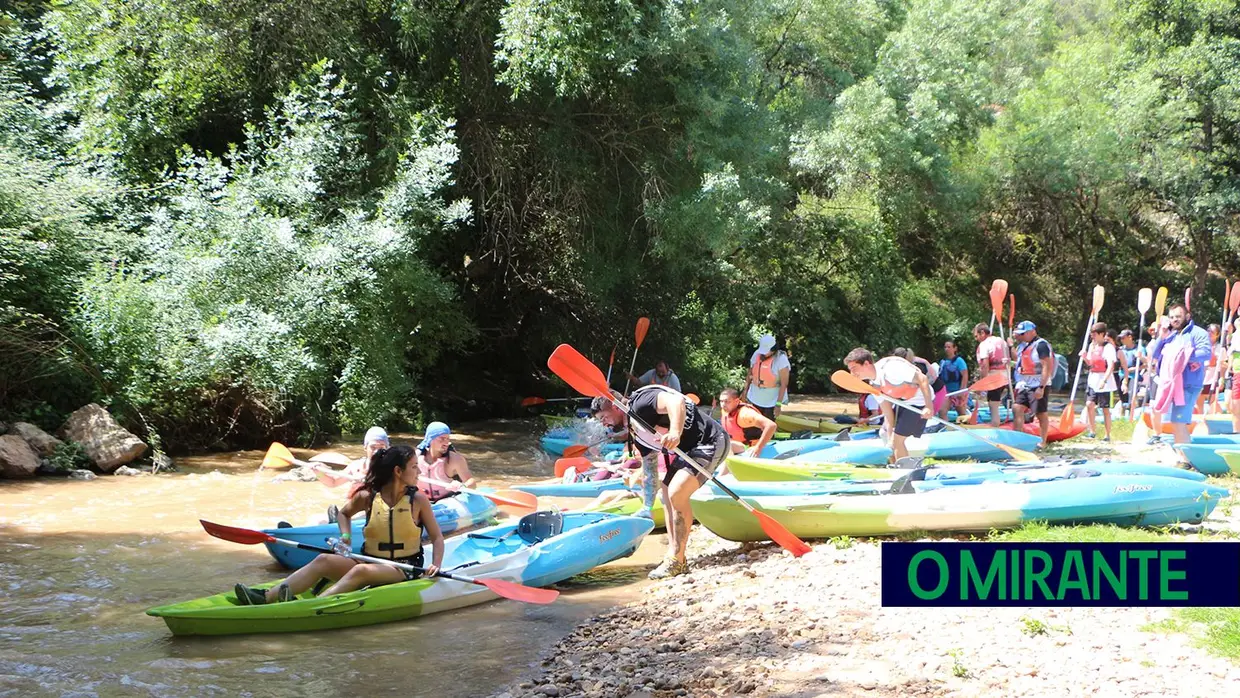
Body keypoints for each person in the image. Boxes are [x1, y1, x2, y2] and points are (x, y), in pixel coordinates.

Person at [234, 445, 444, 604]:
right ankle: (266, 597)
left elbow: (436, 537)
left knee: (360, 572)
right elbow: (344, 514)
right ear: (398, 471)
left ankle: (313, 605)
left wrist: (435, 564)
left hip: (403, 568)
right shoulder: (367, 496)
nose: (419, 472)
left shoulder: (418, 500)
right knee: (324, 559)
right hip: (369, 561)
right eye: (415, 467)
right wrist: (345, 538)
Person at [590, 384, 730, 579]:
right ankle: (674, 554)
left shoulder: (640, 404)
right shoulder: (636, 431)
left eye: (604, 417)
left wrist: (674, 432)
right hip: (689, 451)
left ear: (615, 407)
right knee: (665, 492)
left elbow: (676, 401)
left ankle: (677, 560)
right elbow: (649, 468)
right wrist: (647, 505)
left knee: (677, 492)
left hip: (711, 441)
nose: (604, 423)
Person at [844, 348, 934, 461]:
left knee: (898, 441)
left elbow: (923, 379)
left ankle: (905, 471)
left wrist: (928, 406)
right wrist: (890, 433)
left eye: (854, 368)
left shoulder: (891, 369)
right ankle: (895, 465)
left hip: (919, 401)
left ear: (866, 364)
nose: (852, 374)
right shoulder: (874, 386)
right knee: (885, 434)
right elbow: (887, 412)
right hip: (903, 402)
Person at [1150, 302, 1213, 444]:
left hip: (1189, 384)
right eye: (1172, 317)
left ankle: (1187, 460)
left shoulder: (1198, 332)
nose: (1175, 320)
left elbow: (1206, 353)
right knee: (1175, 422)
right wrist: (1162, 337)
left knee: (1179, 422)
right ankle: (1182, 457)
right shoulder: (1172, 335)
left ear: (1187, 316)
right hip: (1171, 384)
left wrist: (1182, 355)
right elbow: (1156, 354)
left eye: (1178, 316)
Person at [1010, 321, 1055, 447]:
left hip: (1039, 383)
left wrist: (1041, 387)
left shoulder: (1041, 345)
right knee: (1017, 408)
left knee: (1041, 413)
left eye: (1023, 333)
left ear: (1032, 332)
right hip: (1025, 383)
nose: (1021, 336)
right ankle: (1017, 439)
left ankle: (1043, 441)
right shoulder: (1025, 345)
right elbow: (1023, 364)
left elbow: (1047, 366)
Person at [417, 422, 477, 501]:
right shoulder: (416, 456)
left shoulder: (455, 459)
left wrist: (462, 486)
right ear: (430, 439)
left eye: (447, 439)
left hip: (447, 499)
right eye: (442, 438)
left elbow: (472, 483)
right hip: (423, 500)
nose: (446, 443)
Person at [1081, 322, 1118, 441]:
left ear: (1102, 334)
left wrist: (1104, 380)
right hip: (1093, 379)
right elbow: (1090, 363)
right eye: (1092, 334)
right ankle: (1092, 431)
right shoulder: (1092, 346)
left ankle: (1107, 435)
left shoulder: (1108, 347)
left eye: (1095, 334)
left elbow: (1111, 366)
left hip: (1104, 381)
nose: (1093, 336)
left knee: (1105, 409)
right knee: (1089, 404)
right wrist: (1085, 357)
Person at [718, 387, 778, 457]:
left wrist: (758, 447)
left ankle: (730, 465)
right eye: (721, 401)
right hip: (737, 445)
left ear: (737, 401)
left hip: (749, 447)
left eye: (727, 401)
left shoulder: (745, 414)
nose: (723, 405)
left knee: (726, 445)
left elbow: (771, 425)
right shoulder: (726, 410)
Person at [742, 334, 790, 419]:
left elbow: (784, 384)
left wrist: (778, 405)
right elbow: (750, 374)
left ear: (773, 350)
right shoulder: (757, 354)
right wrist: (745, 391)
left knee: (768, 425)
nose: (763, 354)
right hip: (754, 396)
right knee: (753, 427)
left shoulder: (781, 359)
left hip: (771, 400)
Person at [972, 324, 1009, 427]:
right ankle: (995, 423)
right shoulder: (1002, 341)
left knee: (993, 404)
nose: (977, 339)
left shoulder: (984, 344)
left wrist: (981, 384)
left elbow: (985, 366)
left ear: (982, 333)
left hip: (994, 377)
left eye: (976, 336)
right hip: (1005, 377)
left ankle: (995, 425)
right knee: (995, 401)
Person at [894, 348, 945, 416]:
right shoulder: (902, 366)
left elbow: (921, 385)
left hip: (936, 390)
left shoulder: (918, 367)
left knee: (929, 415)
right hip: (922, 393)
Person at [938, 341, 970, 421]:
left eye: (949, 347)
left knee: (961, 413)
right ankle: (945, 428)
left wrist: (962, 391)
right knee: (942, 411)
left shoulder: (959, 361)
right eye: (945, 347)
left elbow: (965, 375)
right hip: (947, 392)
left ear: (955, 348)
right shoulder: (943, 362)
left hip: (957, 391)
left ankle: (966, 429)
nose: (946, 349)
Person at [1117, 329, 1146, 411]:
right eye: (1121, 338)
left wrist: (1136, 368)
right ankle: (1123, 413)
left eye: (1123, 338)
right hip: (1122, 375)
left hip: (1134, 376)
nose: (1121, 340)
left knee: (1131, 394)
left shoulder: (1139, 349)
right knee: (1123, 397)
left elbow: (1146, 364)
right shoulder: (1120, 349)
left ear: (1130, 337)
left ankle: (1131, 412)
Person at [1199, 324, 1222, 411]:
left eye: (1212, 332)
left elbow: (1213, 362)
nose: (1209, 333)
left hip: (1212, 378)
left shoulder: (1219, 347)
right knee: (1198, 402)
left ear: (1217, 335)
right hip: (1201, 377)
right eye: (1208, 330)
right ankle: (1200, 421)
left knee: (1213, 403)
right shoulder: (1202, 345)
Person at [1228, 317, 1240, 433]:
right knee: (1235, 407)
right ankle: (1236, 434)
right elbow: (1231, 351)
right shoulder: (1235, 335)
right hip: (1237, 373)